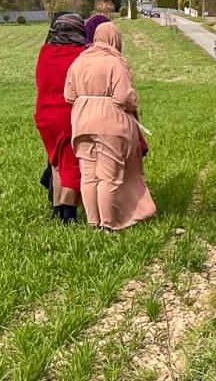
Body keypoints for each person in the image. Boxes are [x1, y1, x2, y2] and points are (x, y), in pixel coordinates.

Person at [64, 22, 157, 231]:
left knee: (88, 174)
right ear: (115, 39)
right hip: (110, 123)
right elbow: (124, 95)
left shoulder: (78, 61)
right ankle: (108, 223)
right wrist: (134, 101)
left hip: (81, 122)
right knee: (109, 176)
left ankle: (92, 222)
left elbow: (68, 96)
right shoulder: (115, 62)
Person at [34, 12, 88, 223]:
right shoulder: (80, 56)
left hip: (45, 117)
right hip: (68, 116)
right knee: (73, 165)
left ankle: (56, 211)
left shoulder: (44, 52)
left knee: (56, 163)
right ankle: (68, 214)